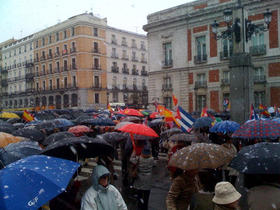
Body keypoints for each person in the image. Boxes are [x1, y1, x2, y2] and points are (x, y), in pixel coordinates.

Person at [130, 144, 154, 210]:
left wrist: (134, 152)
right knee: (146, 195)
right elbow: (155, 164)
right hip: (148, 180)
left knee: (140, 194)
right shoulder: (152, 159)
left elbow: (131, 160)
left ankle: (140, 205)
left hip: (139, 179)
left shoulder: (139, 158)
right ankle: (145, 207)